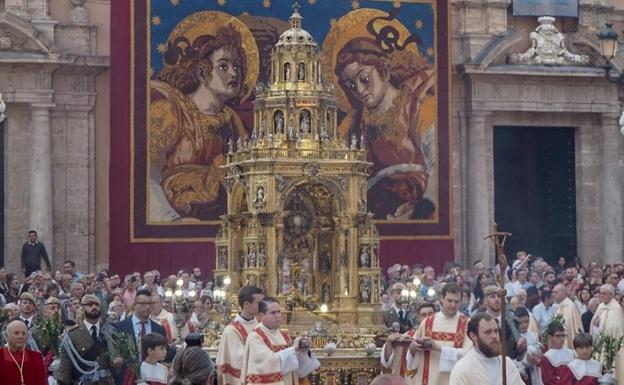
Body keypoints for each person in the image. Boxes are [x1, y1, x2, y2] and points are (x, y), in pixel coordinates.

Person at [150, 24, 250, 220]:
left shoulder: (233, 123)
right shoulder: (172, 109)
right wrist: (170, 218)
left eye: (237, 66)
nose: (234, 73)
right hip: (174, 219)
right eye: (223, 66)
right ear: (202, 73)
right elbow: (146, 175)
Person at [335, 37, 435, 220]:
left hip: (418, 207)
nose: (359, 90)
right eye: (351, 86)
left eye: (365, 79)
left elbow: (438, 171)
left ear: (383, 70)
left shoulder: (417, 108)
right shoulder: (355, 125)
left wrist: (415, 209)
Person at [240, 297, 320, 385]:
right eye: (273, 313)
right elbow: (268, 363)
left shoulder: (284, 336)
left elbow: (294, 366)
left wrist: (302, 351)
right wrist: (293, 349)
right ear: (262, 316)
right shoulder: (255, 337)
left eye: (279, 312)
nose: (277, 316)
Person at [405, 283, 472, 385]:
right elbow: (412, 356)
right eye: (449, 301)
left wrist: (439, 349)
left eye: (456, 302)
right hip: (428, 380)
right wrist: (413, 349)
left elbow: (469, 355)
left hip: (454, 380)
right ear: (442, 298)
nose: (453, 305)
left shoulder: (467, 324)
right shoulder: (427, 323)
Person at [55, 294, 118, 385]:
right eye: (90, 305)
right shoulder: (72, 334)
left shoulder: (111, 331)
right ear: (83, 308)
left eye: (97, 305)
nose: (94, 307)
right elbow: (65, 368)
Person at [449, 312, 524, 385]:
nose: (494, 336)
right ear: (473, 336)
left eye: (496, 331)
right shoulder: (463, 369)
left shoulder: (507, 364)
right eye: (488, 332)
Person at [216, 286, 264, 385]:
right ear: (246, 304)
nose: (263, 306)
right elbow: (240, 359)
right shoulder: (231, 331)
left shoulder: (260, 323)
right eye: (259, 303)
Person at [590, 284, 624, 384]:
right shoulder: (600, 306)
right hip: (599, 345)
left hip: (612, 348)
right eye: (600, 293)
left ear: (611, 295)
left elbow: (618, 330)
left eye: (603, 293)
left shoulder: (617, 309)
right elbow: (594, 325)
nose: (600, 295)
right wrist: (595, 325)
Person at [0, 320, 48, 385]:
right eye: (16, 333)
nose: (20, 336)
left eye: (24, 333)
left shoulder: (36, 358)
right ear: (7, 335)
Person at [540, 319, 575, 385]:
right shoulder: (546, 358)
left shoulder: (571, 353)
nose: (562, 339)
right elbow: (548, 380)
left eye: (563, 335)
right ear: (550, 337)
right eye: (558, 336)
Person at [553, 284, 582, 349]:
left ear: (563, 293)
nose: (553, 295)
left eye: (555, 292)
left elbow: (575, 328)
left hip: (568, 344)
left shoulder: (571, 307)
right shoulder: (559, 306)